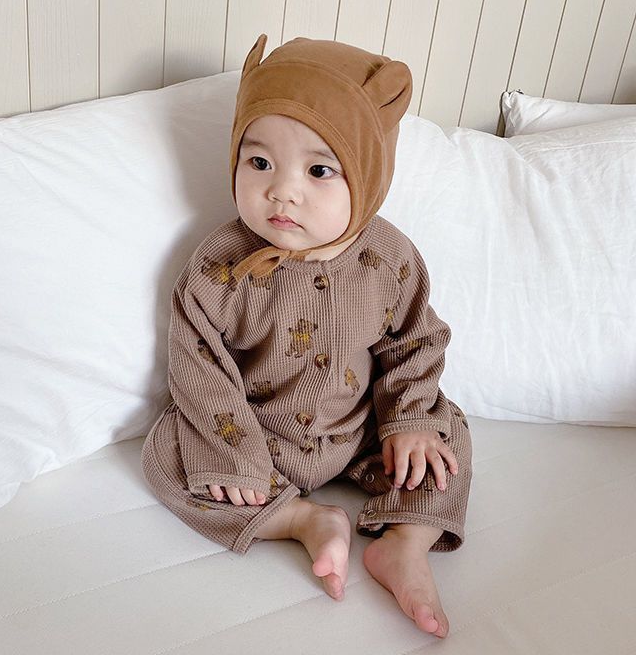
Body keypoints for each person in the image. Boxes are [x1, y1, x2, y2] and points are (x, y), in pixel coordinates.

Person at [141, 33, 472, 639]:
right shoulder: (220, 265)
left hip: (362, 429)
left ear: (367, 176)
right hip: (259, 435)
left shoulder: (389, 259)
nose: (282, 191)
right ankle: (300, 519)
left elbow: (415, 343)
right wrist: (235, 455)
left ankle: (405, 542)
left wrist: (408, 421)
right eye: (259, 163)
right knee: (166, 453)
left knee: (445, 433)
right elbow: (198, 366)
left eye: (319, 170)